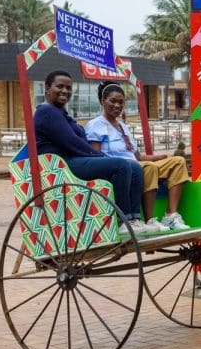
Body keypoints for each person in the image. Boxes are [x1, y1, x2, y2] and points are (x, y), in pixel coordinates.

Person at [34, 71, 144, 233]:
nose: (65, 91)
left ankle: (135, 218)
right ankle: (123, 221)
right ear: (47, 88)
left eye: (69, 88)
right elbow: (71, 143)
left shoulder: (62, 114)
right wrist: (100, 156)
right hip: (62, 164)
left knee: (134, 167)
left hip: (73, 160)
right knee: (120, 165)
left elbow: (77, 142)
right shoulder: (46, 112)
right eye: (60, 86)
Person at [85, 81, 191, 234]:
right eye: (113, 101)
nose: (117, 106)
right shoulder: (96, 125)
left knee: (177, 162)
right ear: (103, 101)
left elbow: (137, 156)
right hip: (122, 169)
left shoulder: (123, 127)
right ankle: (149, 220)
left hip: (136, 164)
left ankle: (170, 216)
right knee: (149, 167)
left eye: (121, 102)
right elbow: (96, 156)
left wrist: (160, 156)